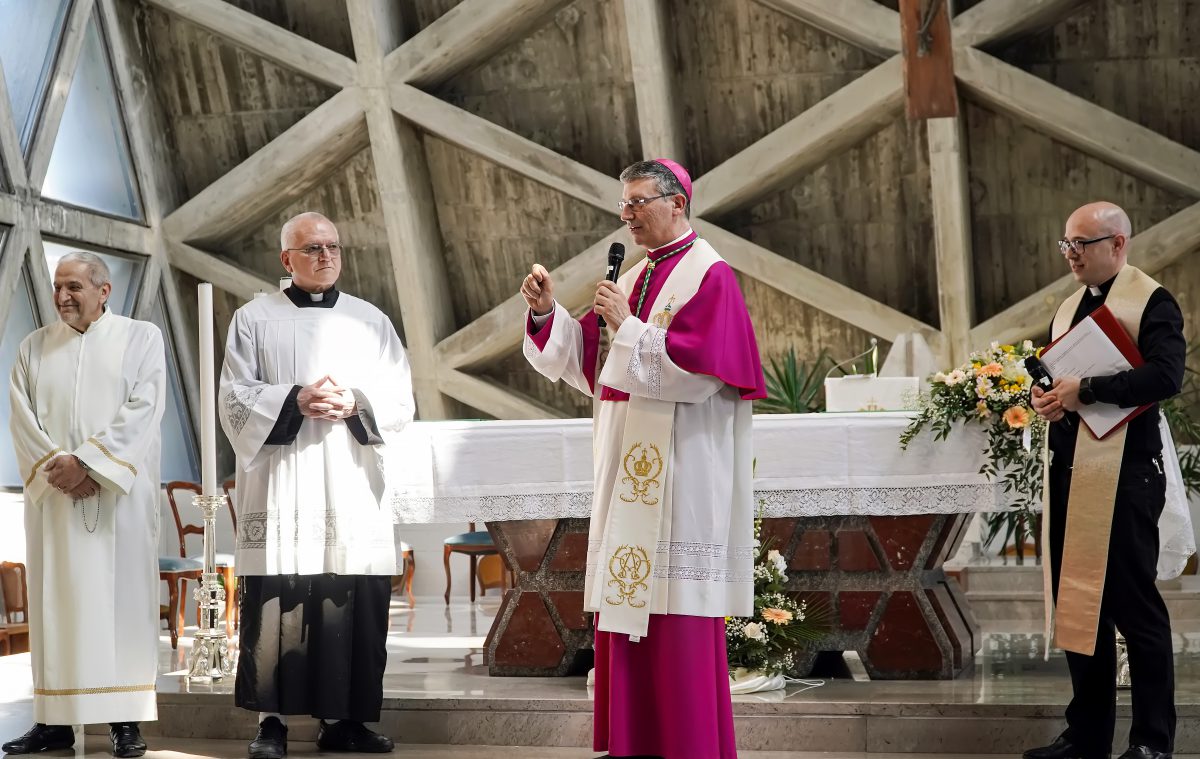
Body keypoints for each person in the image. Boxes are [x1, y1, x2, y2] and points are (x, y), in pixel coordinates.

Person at [520, 159, 765, 759]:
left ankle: (689, 745)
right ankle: (633, 745)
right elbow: (591, 366)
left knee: (675, 609)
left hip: (683, 470)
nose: (625, 215)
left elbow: (702, 372)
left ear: (676, 202)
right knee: (631, 602)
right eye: (623, 204)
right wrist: (550, 313)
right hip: (628, 465)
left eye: (636, 203)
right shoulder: (636, 275)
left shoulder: (711, 276)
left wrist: (627, 328)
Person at [219, 212, 414, 758]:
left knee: (346, 601)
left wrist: (357, 403)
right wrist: (292, 400)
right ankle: (272, 723)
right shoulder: (254, 319)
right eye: (311, 248)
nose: (325, 256)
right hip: (284, 483)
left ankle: (344, 722)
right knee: (279, 601)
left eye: (332, 247)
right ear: (286, 260)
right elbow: (233, 397)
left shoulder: (371, 320)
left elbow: (401, 399)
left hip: (350, 483)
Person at [1026, 202, 1184, 759]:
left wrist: (1086, 391)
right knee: (1079, 605)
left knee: (1134, 607)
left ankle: (1151, 742)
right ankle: (1087, 736)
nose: (1071, 255)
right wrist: (1047, 400)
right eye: (1066, 244)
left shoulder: (1152, 301)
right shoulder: (1069, 307)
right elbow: (1058, 379)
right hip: (1074, 469)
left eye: (1081, 244)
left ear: (1117, 244)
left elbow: (1167, 376)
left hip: (1130, 475)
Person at [6, 252, 165, 758]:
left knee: (121, 607)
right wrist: (61, 466)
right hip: (55, 502)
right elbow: (21, 417)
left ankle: (124, 721)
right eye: (57, 286)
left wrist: (91, 465)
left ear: (104, 290)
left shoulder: (142, 339)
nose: (62, 296)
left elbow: (145, 407)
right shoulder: (34, 347)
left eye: (73, 285)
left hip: (119, 502)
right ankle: (53, 720)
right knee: (57, 605)